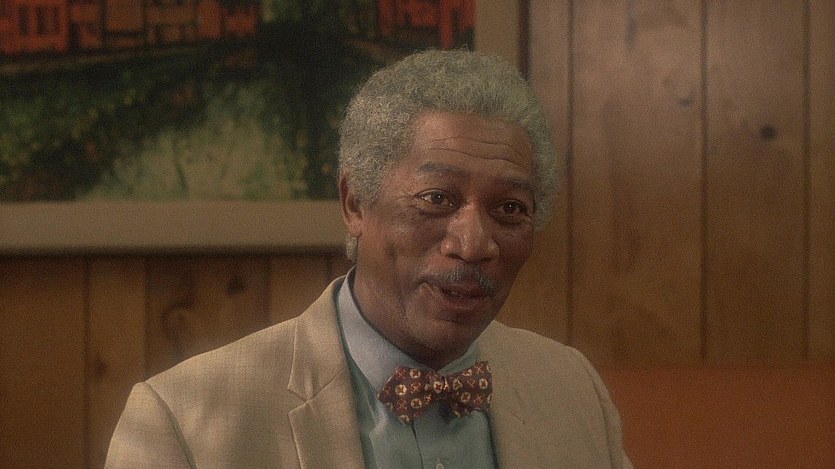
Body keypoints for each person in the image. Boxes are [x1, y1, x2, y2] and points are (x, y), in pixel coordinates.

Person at [106, 49, 632, 468]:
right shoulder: (182, 419)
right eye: (436, 199)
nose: (473, 245)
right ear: (355, 204)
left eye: (510, 208)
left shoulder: (572, 390)